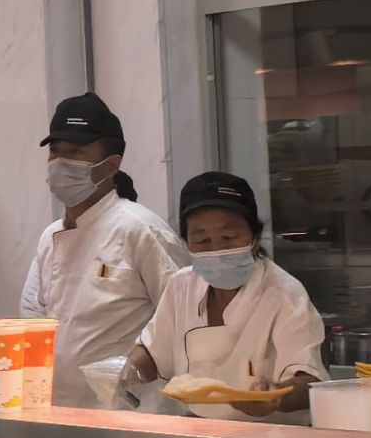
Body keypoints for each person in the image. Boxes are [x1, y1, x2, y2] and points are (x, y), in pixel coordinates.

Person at [20, 93, 188, 405]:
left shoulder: (140, 230)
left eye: (75, 152)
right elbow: (33, 318)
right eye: (55, 151)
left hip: (130, 412)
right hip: (59, 409)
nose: (60, 163)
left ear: (111, 166)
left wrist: (131, 376)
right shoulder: (50, 236)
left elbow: (184, 317)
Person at [124, 171, 326, 416]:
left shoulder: (284, 293)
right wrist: (123, 374)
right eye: (203, 240)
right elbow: (152, 352)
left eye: (229, 237)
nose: (217, 249)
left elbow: (309, 380)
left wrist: (273, 397)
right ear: (187, 243)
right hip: (198, 430)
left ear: (254, 238)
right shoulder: (181, 286)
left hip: (271, 434)